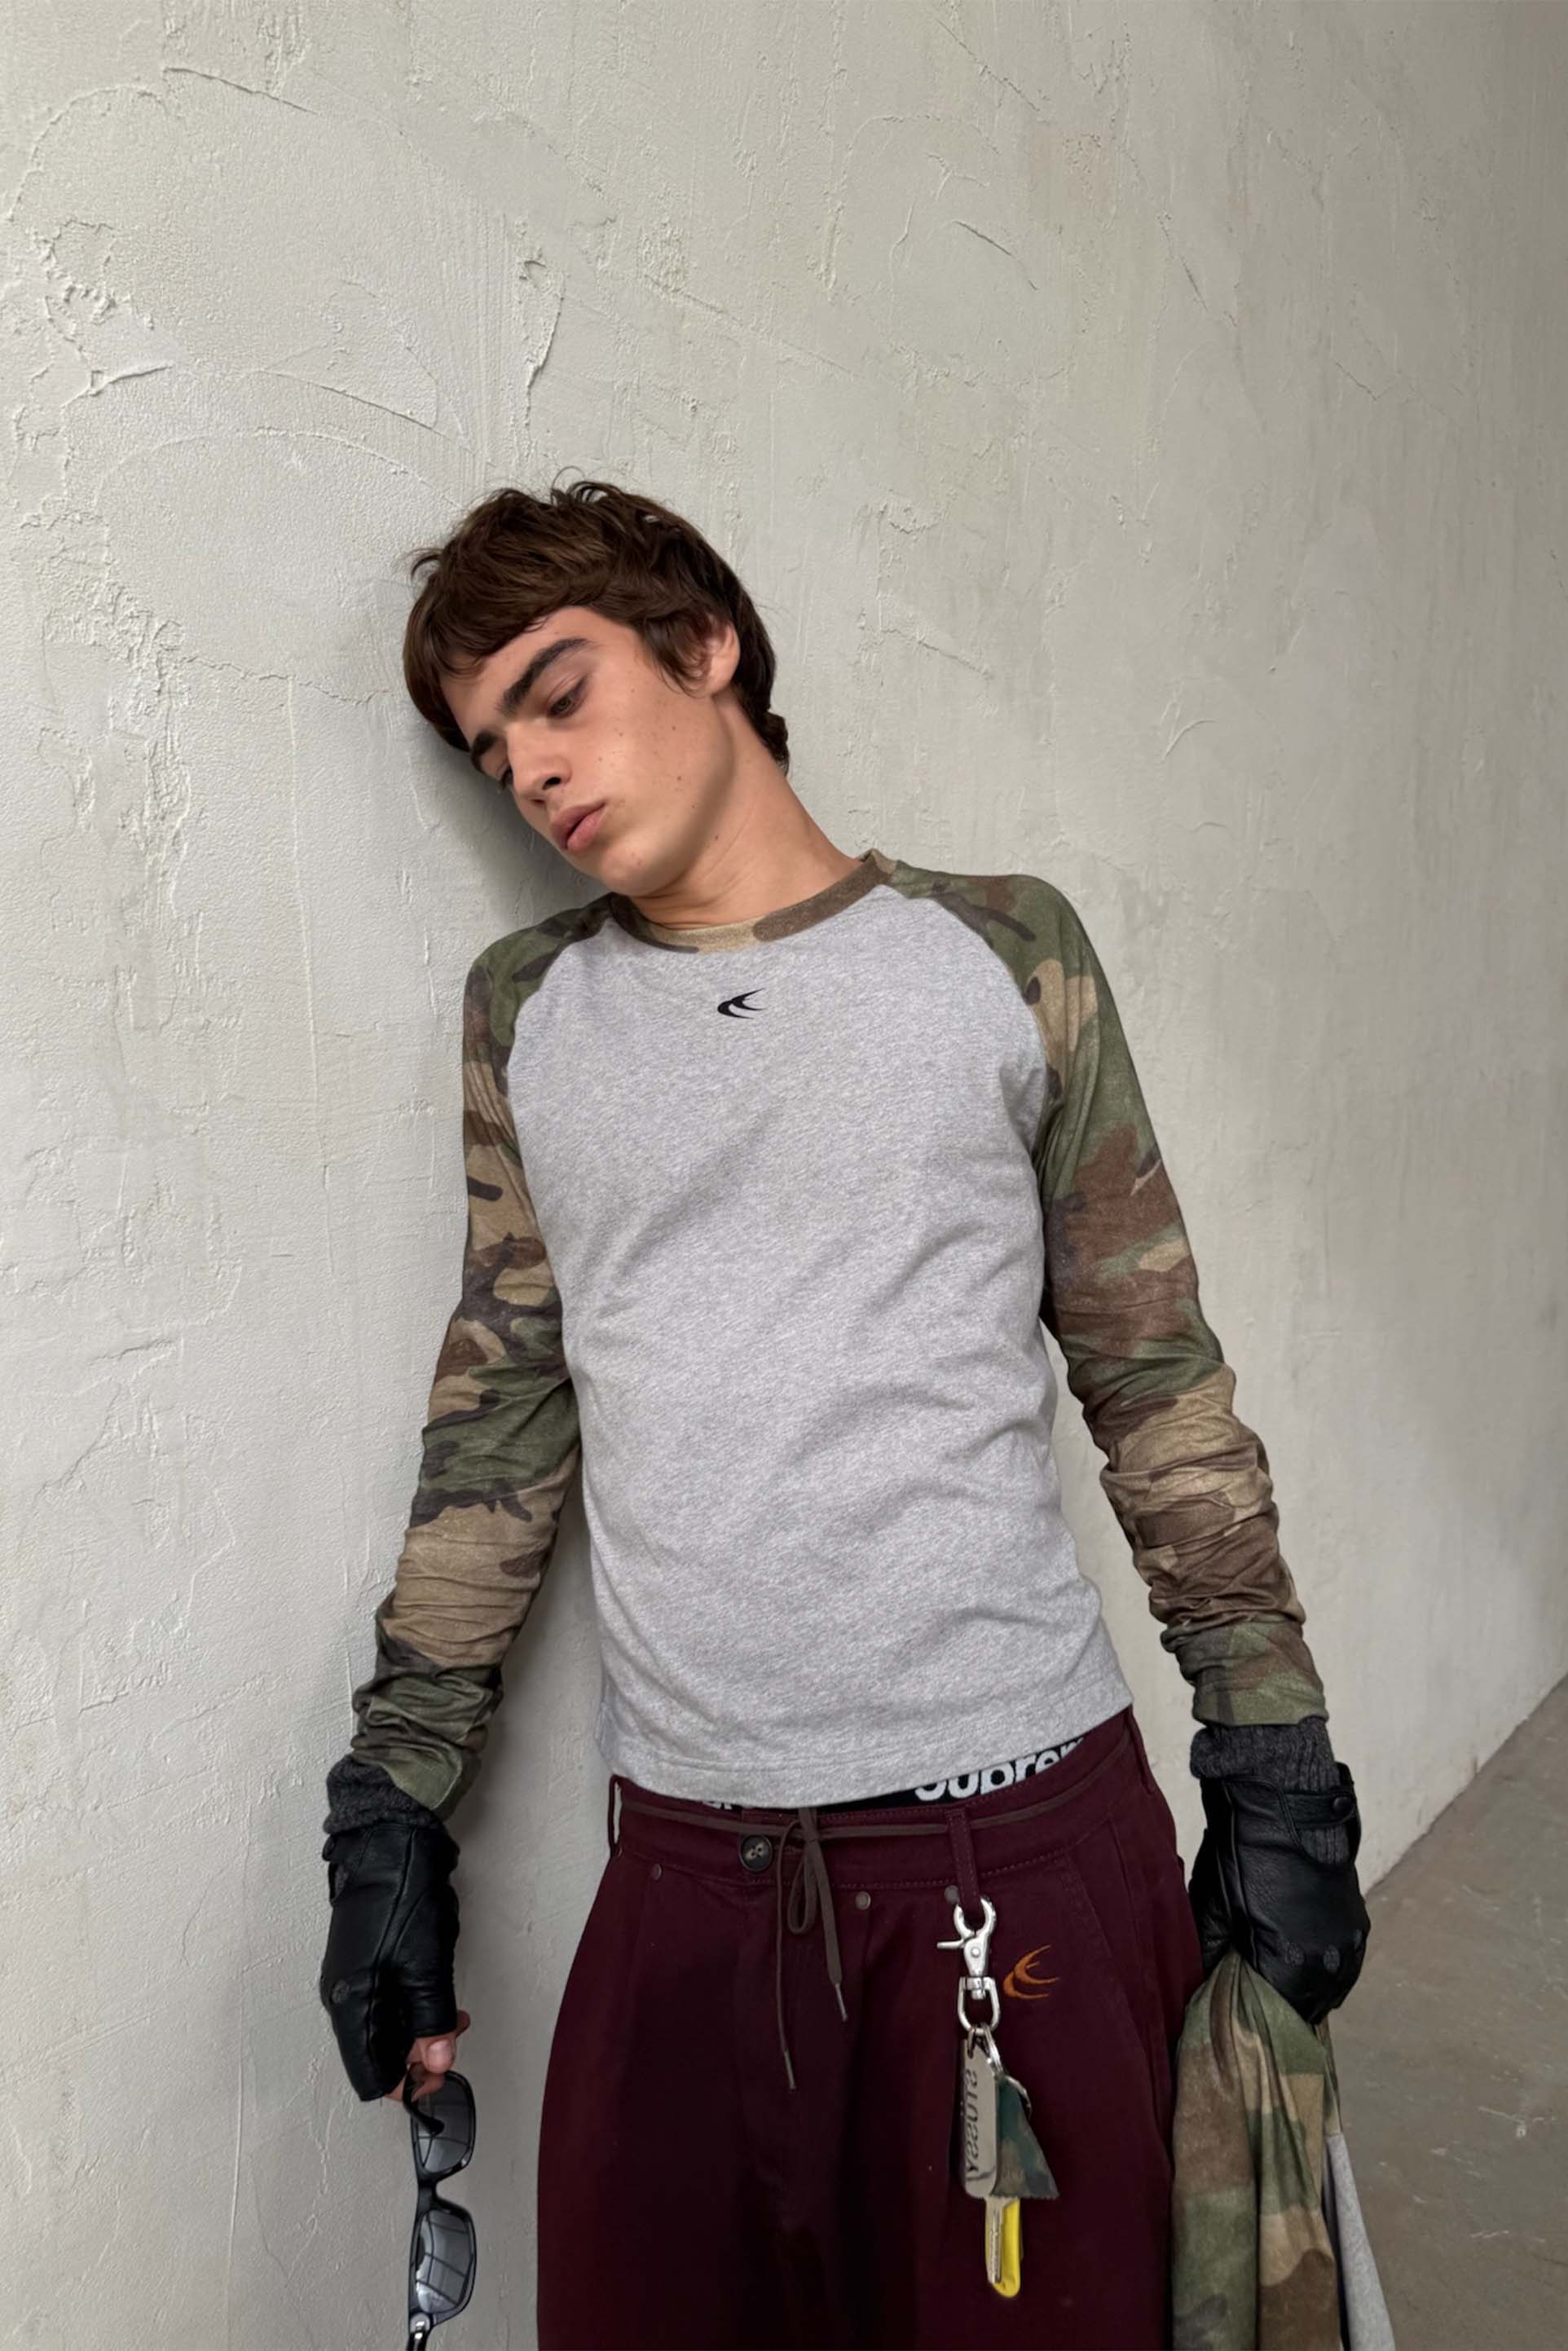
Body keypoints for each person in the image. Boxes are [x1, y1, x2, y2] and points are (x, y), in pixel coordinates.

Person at [318, 478, 1370, 2349]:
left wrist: (1270, 1755)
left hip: (1014, 1860)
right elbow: (500, 1428)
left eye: (557, 692)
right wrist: (388, 1811)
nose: (530, 771)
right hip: (686, 1878)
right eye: (490, 750)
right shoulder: (527, 1013)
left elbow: (1150, 1376)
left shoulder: (1004, 953)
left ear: (704, 647)